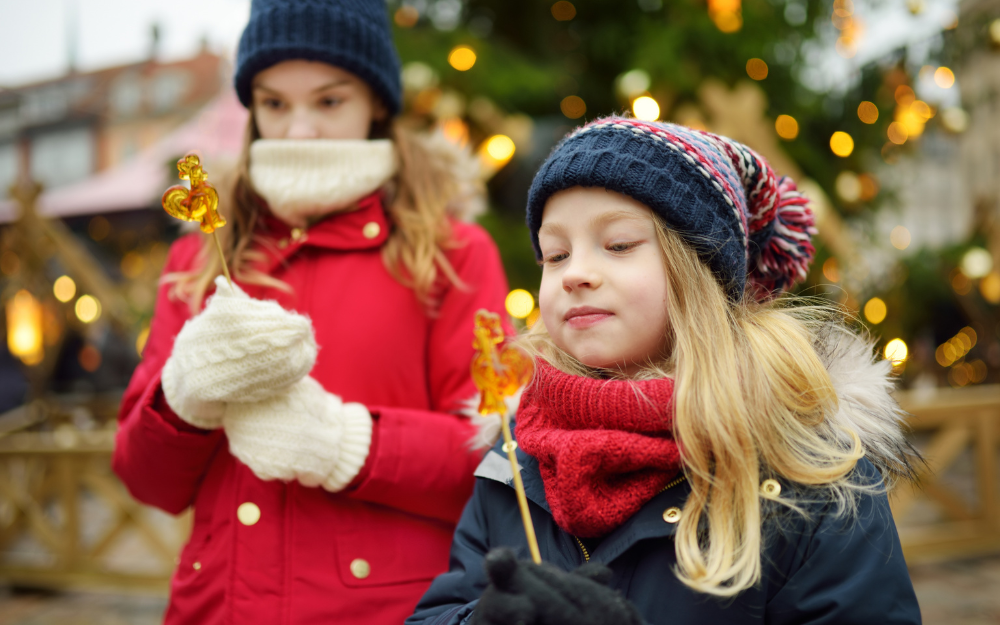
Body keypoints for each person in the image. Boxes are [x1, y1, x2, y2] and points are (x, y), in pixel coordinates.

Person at [408, 117, 922, 625]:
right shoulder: (514, 457)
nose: (575, 274)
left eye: (619, 245)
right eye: (555, 254)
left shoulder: (810, 471)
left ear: (700, 270)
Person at [112, 1, 510, 622]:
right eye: (274, 103)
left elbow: (491, 456)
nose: (298, 130)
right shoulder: (199, 258)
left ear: (376, 101)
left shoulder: (452, 252)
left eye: (328, 102)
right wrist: (182, 396)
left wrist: (347, 443)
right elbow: (147, 482)